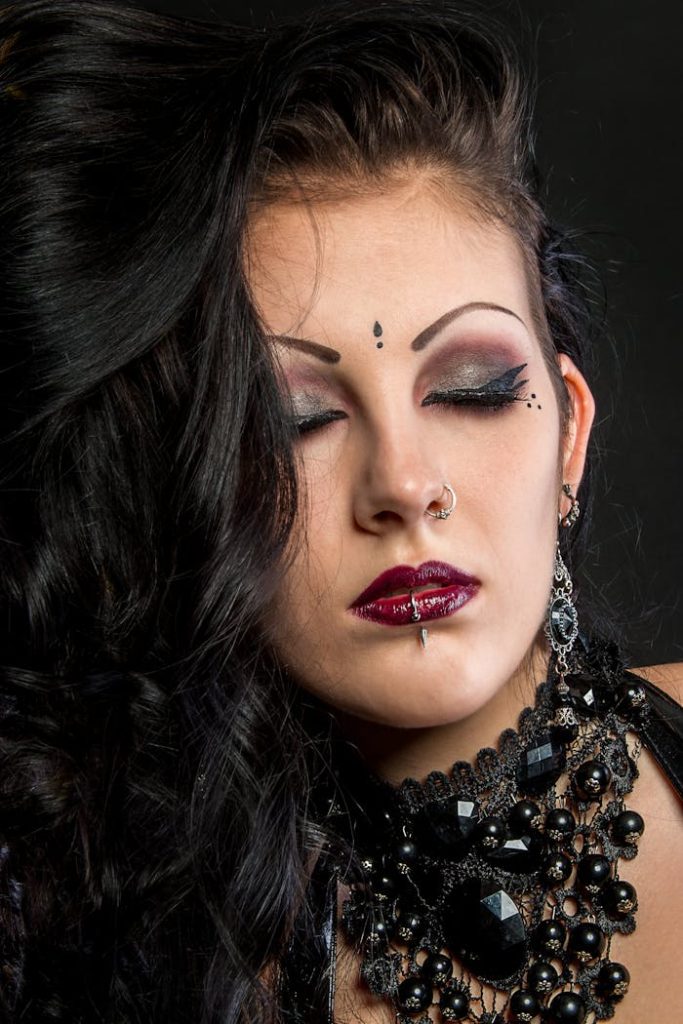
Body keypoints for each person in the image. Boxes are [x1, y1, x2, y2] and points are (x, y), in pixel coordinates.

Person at [0, 1, 680, 1022]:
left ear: (568, 432)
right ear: (197, 485)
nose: (404, 485)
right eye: (296, 420)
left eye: (471, 389)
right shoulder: (134, 949)